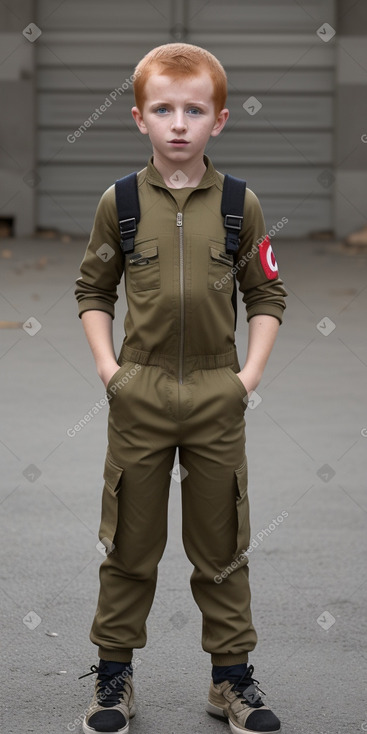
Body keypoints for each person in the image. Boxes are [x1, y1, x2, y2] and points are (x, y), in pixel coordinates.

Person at [75, 42, 287, 734]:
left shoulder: (237, 205)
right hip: (138, 397)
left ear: (217, 120)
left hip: (214, 398)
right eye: (162, 109)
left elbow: (267, 293)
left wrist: (245, 377)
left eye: (193, 110)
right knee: (130, 546)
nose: (177, 123)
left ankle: (230, 682)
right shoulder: (121, 203)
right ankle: (114, 678)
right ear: (138, 117)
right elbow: (92, 290)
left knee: (221, 546)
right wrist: (112, 373)